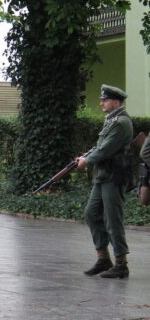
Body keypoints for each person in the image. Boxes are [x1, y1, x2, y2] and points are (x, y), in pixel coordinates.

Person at [76, 84, 133, 279]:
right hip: (103, 176)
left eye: (105, 99)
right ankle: (103, 259)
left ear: (116, 102)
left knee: (112, 220)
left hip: (114, 176)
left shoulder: (120, 123)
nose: (101, 102)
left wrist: (87, 161)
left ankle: (121, 263)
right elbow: (99, 146)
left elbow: (106, 149)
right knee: (91, 214)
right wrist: (87, 154)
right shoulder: (111, 121)